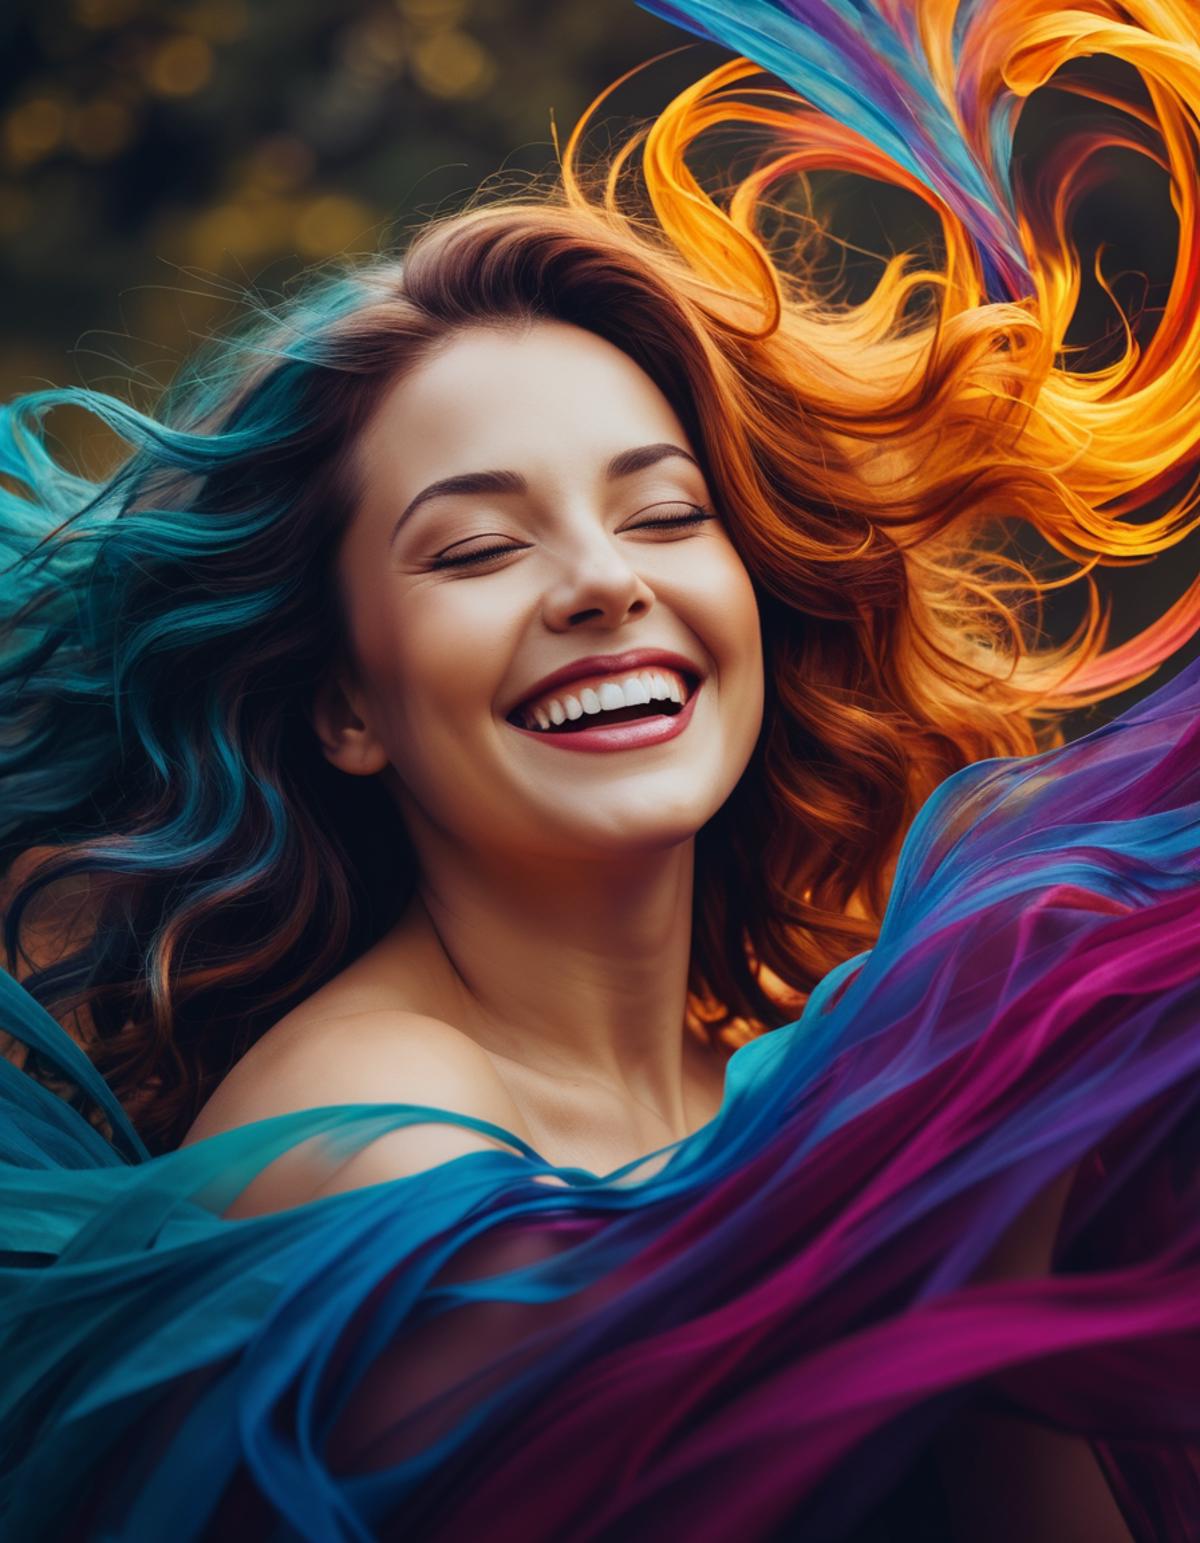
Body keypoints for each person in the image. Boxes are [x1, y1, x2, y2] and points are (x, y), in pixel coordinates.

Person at [1, 0, 1199, 1537]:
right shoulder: (364, 1147)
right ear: (346, 705)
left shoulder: (787, 1060)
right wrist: (967, 1177)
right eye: (480, 547)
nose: (600, 584)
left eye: (661, 514)